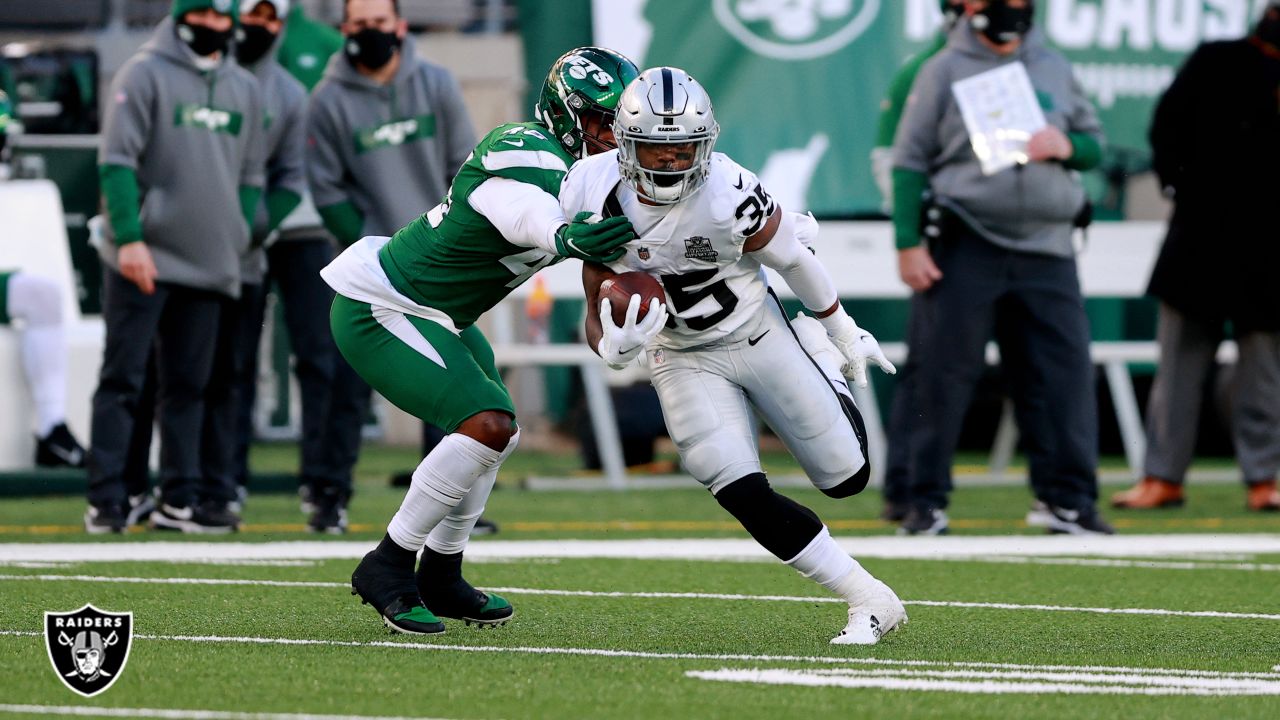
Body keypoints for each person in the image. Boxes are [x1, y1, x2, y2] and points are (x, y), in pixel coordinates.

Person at [562, 67, 904, 645]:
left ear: (705, 143)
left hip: (757, 332)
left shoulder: (730, 192)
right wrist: (611, 345)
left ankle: (818, 359)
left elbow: (795, 260)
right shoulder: (589, 187)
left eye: (682, 149)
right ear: (624, 142)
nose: (670, 162)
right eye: (655, 148)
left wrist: (841, 330)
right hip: (681, 355)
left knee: (846, 478)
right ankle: (868, 598)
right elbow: (595, 289)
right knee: (736, 485)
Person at [320, 47, 640, 634]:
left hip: (441, 315)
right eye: (603, 122)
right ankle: (388, 563)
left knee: (500, 432)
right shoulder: (522, 145)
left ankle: (442, 572)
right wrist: (564, 233)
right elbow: (516, 208)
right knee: (485, 422)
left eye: (625, 124)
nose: (615, 138)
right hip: (385, 304)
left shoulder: (602, 175)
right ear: (567, 114)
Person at [890, 0, 1113, 535]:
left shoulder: (1054, 66)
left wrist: (1069, 144)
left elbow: (1095, 145)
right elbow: (908, 161)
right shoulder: (941, 68)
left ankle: (1067, 499)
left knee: (1062, 376)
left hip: (1049, 245)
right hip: (967, 237)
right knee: (943, 373)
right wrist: (907, 242)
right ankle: (923, 501)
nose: (1010, 10)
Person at [86, 0, 265, 534]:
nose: (211, 25)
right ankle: (108, 497)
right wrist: (130, 238)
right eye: (202, 14)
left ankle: (179, 497)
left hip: (210, 260)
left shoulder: (244, 88)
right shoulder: (143, 73)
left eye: (220, 16)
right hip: (142, 258)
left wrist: (238, 233)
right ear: (183, 15)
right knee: (124, 378)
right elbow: (116, 162)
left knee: (192, 385)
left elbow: (252, 175)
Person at [305, 0, 477, 527]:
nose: (368, 33)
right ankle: (327, 496)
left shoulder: (437, 84)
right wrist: (367, 244)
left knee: (454, 378)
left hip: (441, 259)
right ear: (344, 29)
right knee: (347, 383)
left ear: (399, 26)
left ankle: (451, 502)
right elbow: (326, 189)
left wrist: (448, 240)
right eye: (357, 25)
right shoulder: (327, 100)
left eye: (377, 23)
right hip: (374, 265)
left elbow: (466, 168)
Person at [1110, 1, 1280, 513]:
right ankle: (1163, 476)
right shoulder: (1216, 59)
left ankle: (1263, 478)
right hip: (1202, 238)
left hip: (1271, 248)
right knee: (1180, 365)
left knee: (1265, 369)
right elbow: (1167, 128)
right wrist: (1184, 186)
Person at [195, 0, 309, 524]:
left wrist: (251, 227)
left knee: (235, 371)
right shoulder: (198, 73)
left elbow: (288, 178)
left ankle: (223, 483)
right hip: (186, 251)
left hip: (242, 256)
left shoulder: (285, 92)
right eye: (250, 15)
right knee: (181, 373)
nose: (255, 27)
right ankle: (173, 485)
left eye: (269, 18)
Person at [872, 0, 965, 523]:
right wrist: (915, 228)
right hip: (945, 236)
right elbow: (891, 157)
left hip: (1009, 237)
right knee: (932, 365)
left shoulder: (1026, 63)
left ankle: (1061, 494)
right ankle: (909, 487)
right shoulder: (926, 68)